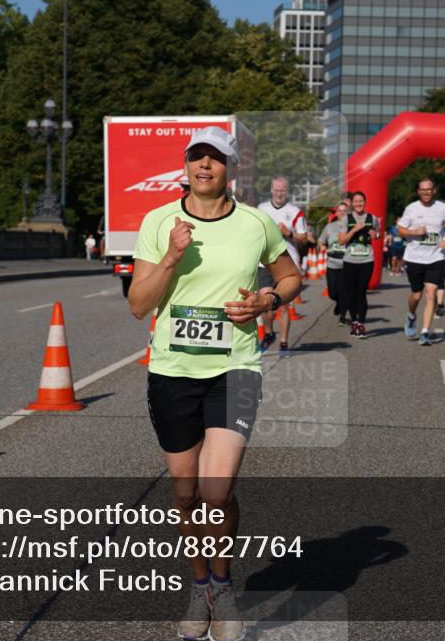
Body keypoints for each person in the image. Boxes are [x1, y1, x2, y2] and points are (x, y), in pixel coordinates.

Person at [128, 126, 301, 641]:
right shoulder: (159, 221)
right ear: (186, 166)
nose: (205, 166)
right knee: (186, 496)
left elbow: (291, 277)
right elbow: (139, 304)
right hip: (173, 371)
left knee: (216, 489)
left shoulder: (255, 223)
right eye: (196, 158)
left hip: (236, 367)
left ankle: (222, 587)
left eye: (216, 159)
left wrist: (267, 301)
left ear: (231, 169)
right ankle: (198, 583)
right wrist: (170, 257)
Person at [397, 178, 445, 346]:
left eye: (428, 189)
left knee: (431, 293)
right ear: (418, 192)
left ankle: (424, 333)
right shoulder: (411, 208)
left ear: (434, 190)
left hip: (436, 256)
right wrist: (413, 231)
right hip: (415, 257)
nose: (426, 192)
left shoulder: (442, 207)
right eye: (422, 190)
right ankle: (411, 315)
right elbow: (400, 230)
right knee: (416, 295)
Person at [257, 176, 308, 356]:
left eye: (283, 190)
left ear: (287, 191)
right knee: (264, 302)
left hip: (287, 264)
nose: (279, 193)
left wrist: (288, 233)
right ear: (271, 190)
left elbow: (304, 237)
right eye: (276, 189)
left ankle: (284, 343)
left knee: (283, 306)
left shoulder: (294, 211)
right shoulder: (261, 209)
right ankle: (269, 333)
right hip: (264, 262)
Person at [337, 191, 380, 338]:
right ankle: (354, 321)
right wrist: (354, 229)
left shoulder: (372, 218)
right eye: (356, 201)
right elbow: (341, 240)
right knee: (351, 294)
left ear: (365, 202)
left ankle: (361, 324)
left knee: (361, 293)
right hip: (349, 261)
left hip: (366, 260)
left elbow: (379, 233)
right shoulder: (346, 219)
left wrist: (376, 235)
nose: (358, 204)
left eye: (361, 201)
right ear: (352, 203)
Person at [320, 203, 349, 324]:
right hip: (332, 262)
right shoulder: (329, 227)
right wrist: (321, 246)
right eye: (340, 210)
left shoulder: (351, 227)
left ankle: (343, 316)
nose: (342, 212)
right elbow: (321, 240)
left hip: (347, 263)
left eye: (344, 210)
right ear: (336, 213)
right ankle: (338, 302)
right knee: (332, 292)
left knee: (344, 291)